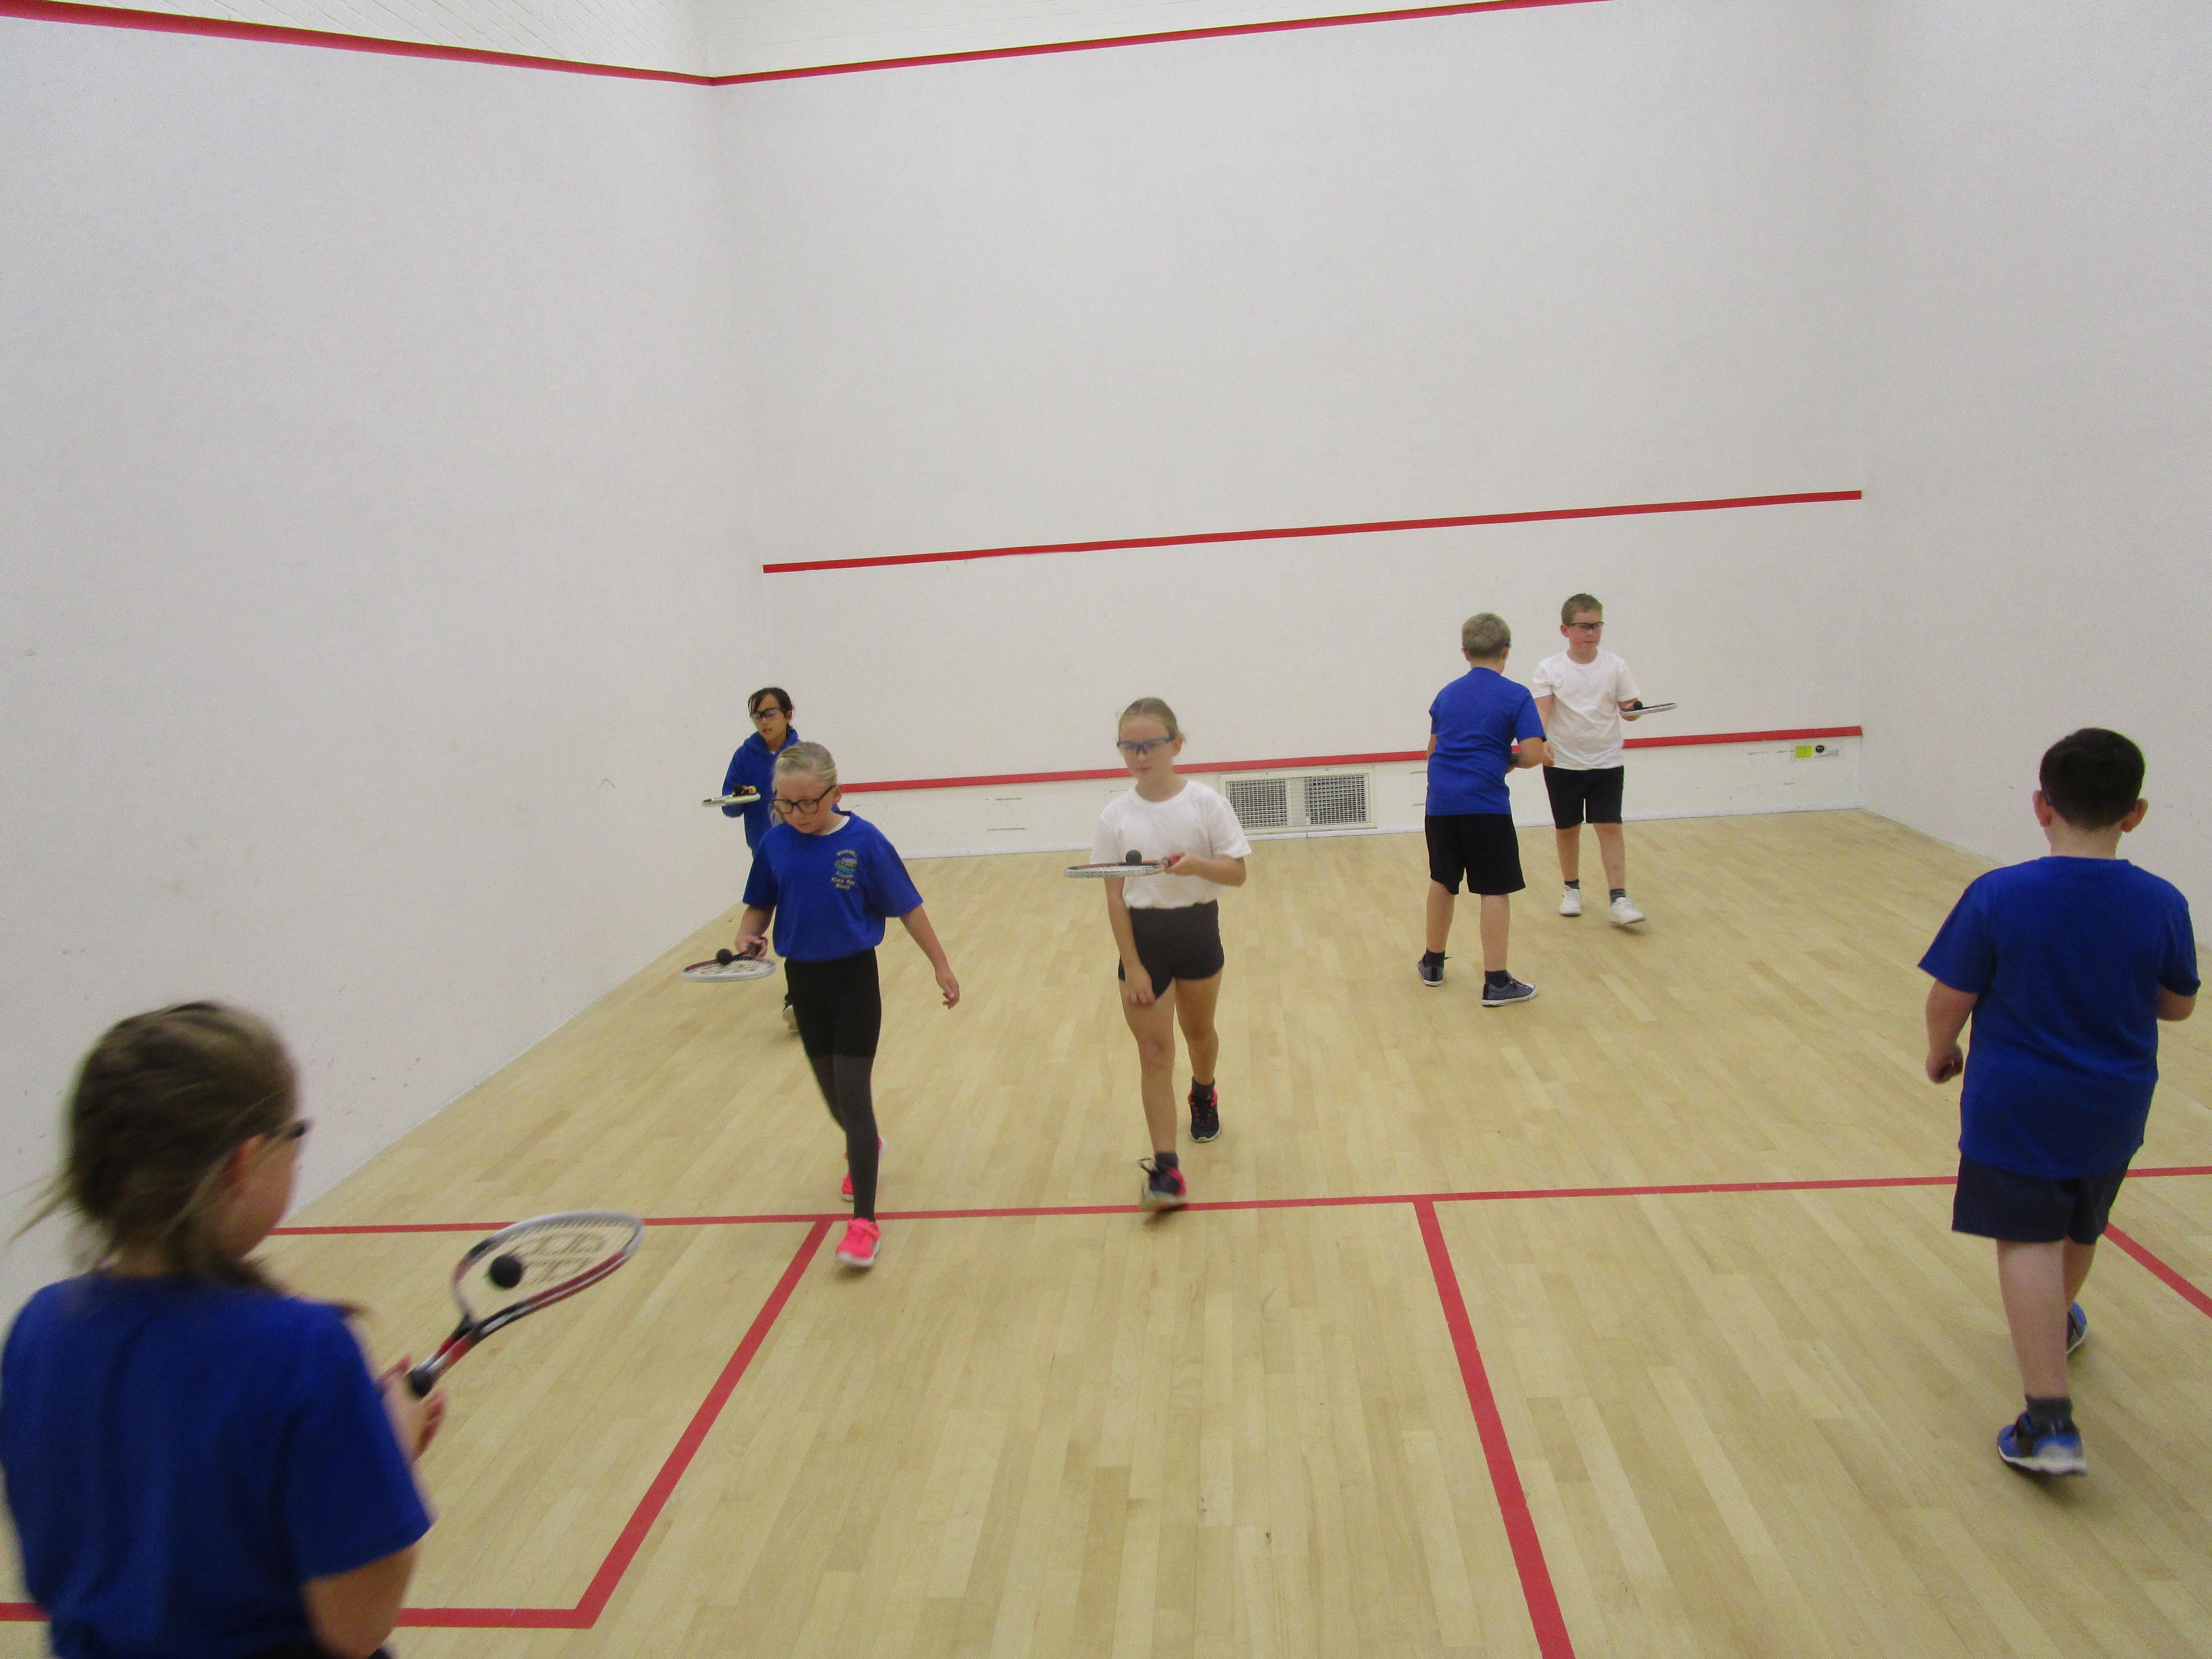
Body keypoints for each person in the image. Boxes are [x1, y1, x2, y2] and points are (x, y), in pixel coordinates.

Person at [2, 1003, 442, 1659]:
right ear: (245, 1163)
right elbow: (357, 1625)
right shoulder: (305, 1351)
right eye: (295, 1136)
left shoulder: (37, 1330)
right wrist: (388, 1452)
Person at [1920, 728, 2197, 1476]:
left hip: (2017, 1104)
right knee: (2080, 1220)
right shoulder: (2162, 901)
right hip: (2115, 1104)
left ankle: (2048, 1423)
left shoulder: (1999, 894)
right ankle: (2056, 1324)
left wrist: (1940, 1051)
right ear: (2135, 813)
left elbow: (1950, 996)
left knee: (2026, 1239)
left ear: (2041, 805)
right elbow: (2177, 1006)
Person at [733, 741, 959, 1269]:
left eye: (807, 803)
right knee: (834, 1098)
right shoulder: (774, 843)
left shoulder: (864, 842)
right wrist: (747, 936)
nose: (796, 814)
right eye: (784, 803)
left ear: (837, 793)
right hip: (803, 983)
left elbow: (908, 907)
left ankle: (864, 1223)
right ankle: (867, 1144)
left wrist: (941, 965)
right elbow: (759, 905)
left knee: (854, 1096)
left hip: (854, 979)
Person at [1094, 698, 1251, 1209]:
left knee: (1199, 1033)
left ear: (1176, 745)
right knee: (1154, 1054)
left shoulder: (1206, 805)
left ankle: (1203, 1092)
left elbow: (1237, 873)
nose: (1140, 756)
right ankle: (1167, 1170)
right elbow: (1114, 897)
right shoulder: (1114, 817)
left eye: (1151, 745)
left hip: (1198, 932)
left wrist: (1196, 865)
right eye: (1129, 747)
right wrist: (1133, 965)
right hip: (1144, 944)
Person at [1419, 613, 1550, 1004]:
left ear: (1465, 652)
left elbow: (1432, 751)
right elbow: (1533, 754)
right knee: (1494, 888)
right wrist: (1510, 760)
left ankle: (1433, 964)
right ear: (1506, 651)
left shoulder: (1447, 694)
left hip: (1441, 804)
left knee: (1443, 880)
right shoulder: (1517, 695)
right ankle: (1496, 982)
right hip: (1486, 806)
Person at [1531, 593, 1648, 925]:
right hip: (1563, 764)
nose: (1591, 633)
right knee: (1568, 829)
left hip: (1607, 762)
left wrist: (1634, 710)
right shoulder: (1549, 669)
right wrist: (1541, 742)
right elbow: (1542, 713)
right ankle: (1572, 890)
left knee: (1610, 826)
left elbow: (1629, 710)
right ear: (1565, 630)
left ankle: (1619, 899)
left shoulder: (1616, 666)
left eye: (1597, 626)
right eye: (1583, 626)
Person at [722, 687, 803, 1030]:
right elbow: (728, 807)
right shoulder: (744, 756)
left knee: (795, 918)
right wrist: (739, 797)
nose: (763, 722)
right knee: (778, 916)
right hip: (765, 855)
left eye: (770, 714)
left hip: (801, 851)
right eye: (757, 716)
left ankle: (798, 996)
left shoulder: (802, 756)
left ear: (788, 714)